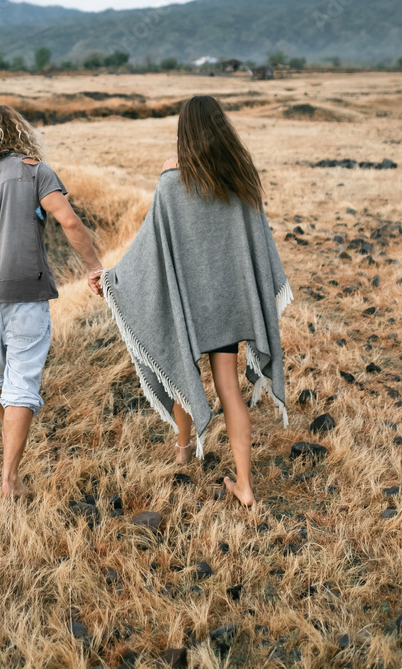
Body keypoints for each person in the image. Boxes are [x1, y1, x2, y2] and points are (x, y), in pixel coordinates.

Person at [101, 95, 293, 507]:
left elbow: (147, 251)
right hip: (227, 306)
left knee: (181, 368)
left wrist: (112, 280)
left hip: (188, 306)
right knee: (229, 389)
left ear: (184, 134)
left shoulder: (171, 185)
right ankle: (245, 487)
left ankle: (183, 451)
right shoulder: (241, 180)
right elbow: (258, 245)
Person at [0, 105, 103, 499]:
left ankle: (11, 452)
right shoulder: (36, 171)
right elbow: (69, 221)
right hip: (28, 292)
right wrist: (95, 266)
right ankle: (10, 478)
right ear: (19, 132)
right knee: (21, 383)